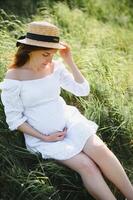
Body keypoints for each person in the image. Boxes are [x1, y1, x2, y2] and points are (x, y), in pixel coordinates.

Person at [0, 21, 133, 200]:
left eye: (52, 54)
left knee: (100, 149)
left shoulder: (55, 67)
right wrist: (44, 137)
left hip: (68, 120)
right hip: (43, 136)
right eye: (46, 54)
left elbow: (83, 90)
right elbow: (14, 119)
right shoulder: (14, 77)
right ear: (29, 50)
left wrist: (68, 60)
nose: (49, 60)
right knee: (87, 166)